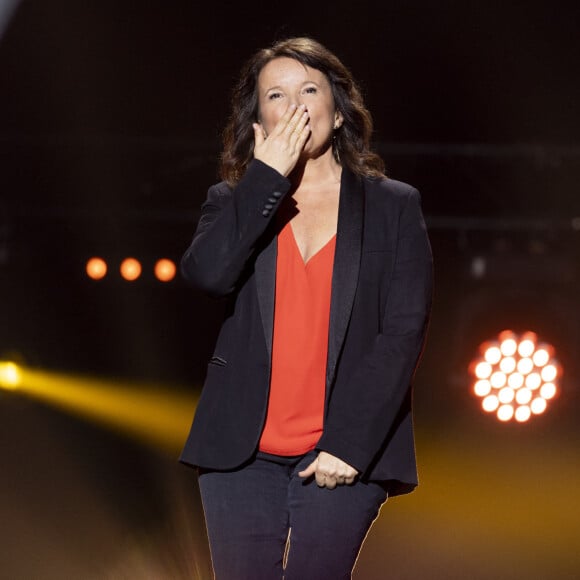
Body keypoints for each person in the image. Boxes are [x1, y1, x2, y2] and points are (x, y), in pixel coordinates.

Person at [180, 37, 433, 580]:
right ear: (259, 118)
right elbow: (207, 276)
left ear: (338, 112)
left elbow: (403, 331)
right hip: (240, 455)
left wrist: (352, 443)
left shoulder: (393, 205)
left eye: (309, 90)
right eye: (276, 95)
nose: (293, 106)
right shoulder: (231, 202)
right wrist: (265, 180)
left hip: (340, 452)